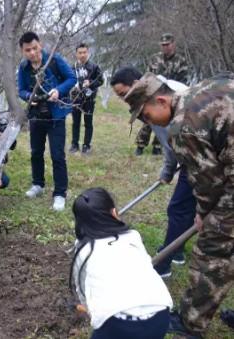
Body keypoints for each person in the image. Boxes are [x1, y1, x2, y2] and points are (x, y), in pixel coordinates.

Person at [122, 71, 234, 338]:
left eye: (146, 117)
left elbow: (209, 184)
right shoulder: (205, 86)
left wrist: (205, 214)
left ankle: (190, 323)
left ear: (161, 100)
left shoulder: (183, 126)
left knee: (213, 250)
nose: (148, 123)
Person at [110, 67, 196, 279]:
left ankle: (164, 262)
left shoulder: (158, 100)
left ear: (138, 84)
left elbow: (171, 142)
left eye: (123, 94)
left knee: (179, 207)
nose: (124, 100)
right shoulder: (161, 92)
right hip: (196, 152)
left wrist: (169, 170)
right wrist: (168, 172)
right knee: (187, 205)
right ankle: (176, 249)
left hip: (200, 154)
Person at [69, 188, 172, 339]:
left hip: (116, 323)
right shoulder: (132, 236)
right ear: (114, 213)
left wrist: (90, 308)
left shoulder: (83, 248)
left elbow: (81, 286)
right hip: (160, 313)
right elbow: (146, 266)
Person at [17, 31, 76, 210]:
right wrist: (30, 96)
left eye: (35, 48)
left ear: (40, 45)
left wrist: (58, 90)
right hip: (36, 115)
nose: (32, 53)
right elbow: (21, 90)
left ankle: (60, 193)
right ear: (23, 51)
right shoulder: (24, 67)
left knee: (57, 155)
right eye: (28, 50)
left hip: (56, 115)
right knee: (36, 151)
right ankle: (38, 184)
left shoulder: (54, 60)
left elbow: (72, 78)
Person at [134, 33, 190, 156]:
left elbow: (183, 80)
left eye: (167, 44)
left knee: (165, 121)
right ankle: (140, 145)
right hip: (154, 94)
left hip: (170, 96)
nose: (165, 47)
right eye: (163, 45)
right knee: (149, 120)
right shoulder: (154, 59)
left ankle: (157, 146)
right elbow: (147, 76)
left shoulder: (181, 61)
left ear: (173, 44)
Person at [69, 43, 103, 155]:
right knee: (75, 122)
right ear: (76, 54)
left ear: (88, 53)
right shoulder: (73, 67)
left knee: (88, 122)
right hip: (76, 99)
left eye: (84, 52)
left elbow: (101, 80)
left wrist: (91, 83)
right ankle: (74, 144)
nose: (82, 55)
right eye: (80, 53)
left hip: (89, 99)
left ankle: (86, 145)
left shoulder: (94, 66)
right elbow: (68, 80)